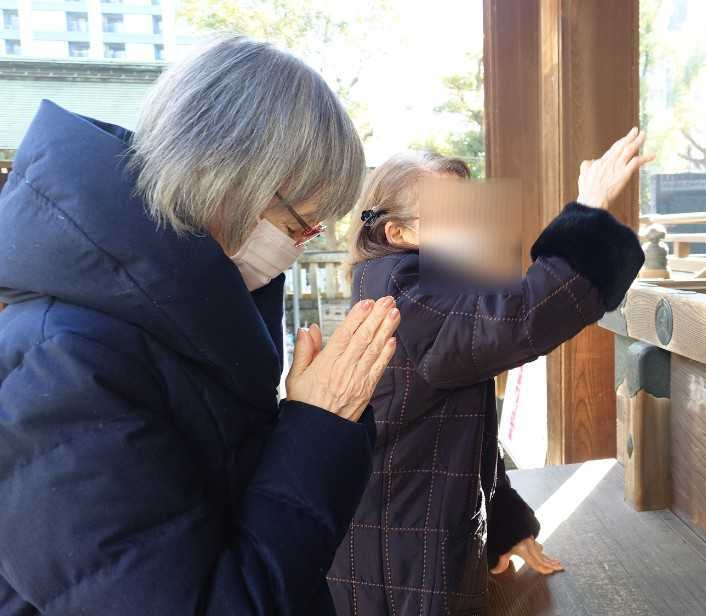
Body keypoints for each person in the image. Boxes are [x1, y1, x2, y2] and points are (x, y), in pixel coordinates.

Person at [0, 36, 398, 614]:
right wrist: (319, 428)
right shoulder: (62, 364)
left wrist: (306, 421)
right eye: (300, 224)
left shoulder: (169, 322)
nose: (299, 246)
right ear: (230, 179)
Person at [328, 130, 651, 614]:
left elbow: (459, 436)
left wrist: (503, 525)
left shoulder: (418, 290)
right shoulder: (404, 293)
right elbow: (519, 319)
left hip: (407, 534)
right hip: (397, 560)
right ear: (398, 234)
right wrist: (588, 209)